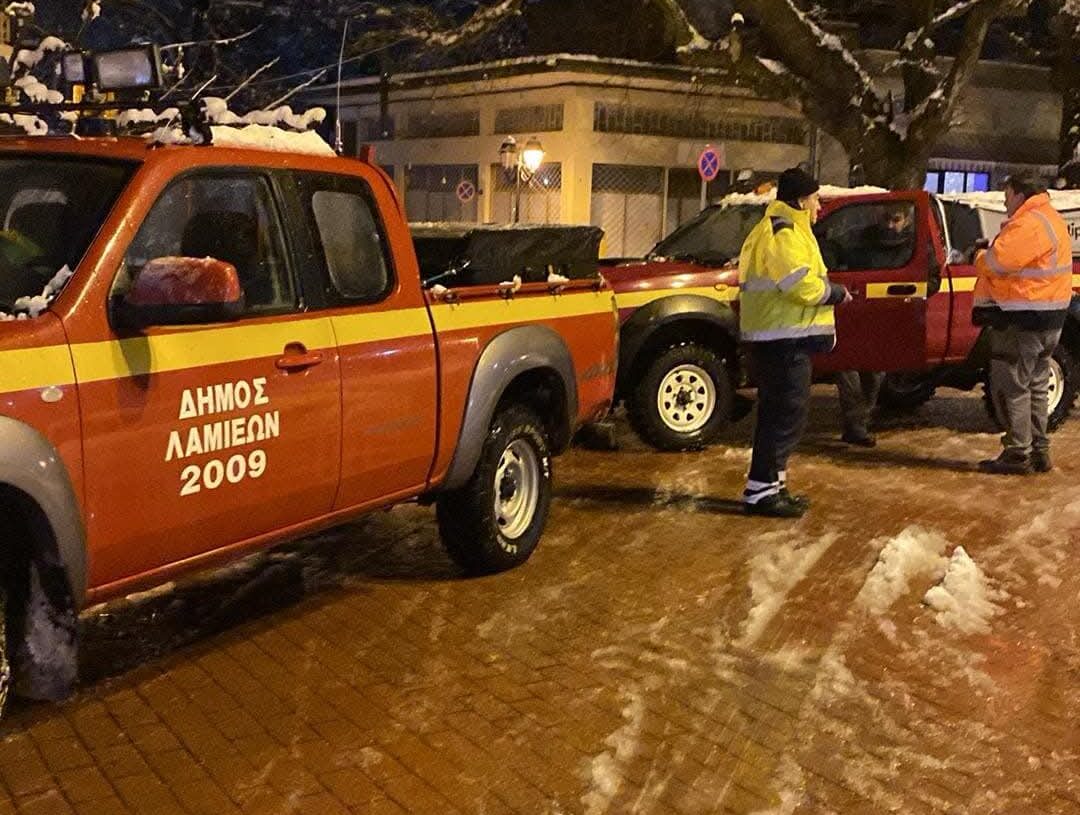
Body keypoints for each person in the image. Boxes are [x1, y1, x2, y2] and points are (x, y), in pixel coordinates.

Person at [739, 167, 850, 517]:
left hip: (780, 338)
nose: (819, 206)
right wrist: (835, 293)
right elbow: (798, 284)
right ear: (801, 201)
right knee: (785, 415)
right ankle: (761, 492)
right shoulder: (784, 232)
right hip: (782, 340)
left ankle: (772, 486)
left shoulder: (784, 229)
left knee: (780, 414)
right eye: (815, 199)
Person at [973, 174, 1073, 475]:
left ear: (1019, 194)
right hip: (1050, 318)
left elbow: (997, 263)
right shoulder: (1051, 218)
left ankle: (1018, 453)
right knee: (1037, 385)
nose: (1005, 201)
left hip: (1023, 319)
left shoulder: (1028, 223)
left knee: (1012, 386)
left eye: (1007, 194)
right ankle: (1039, 450)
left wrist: (979, 255)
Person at [834, 204, 915, 446]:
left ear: (907, 220)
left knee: (874, 373)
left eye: (896, 219)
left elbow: (930, 276)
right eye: (886, 219)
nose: (890, 225)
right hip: (856, 313)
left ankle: (861, 418)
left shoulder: (915, 245)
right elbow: (840, 258)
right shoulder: (861, 239)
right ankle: (856, 425)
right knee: (847, 367)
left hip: (887, 316)